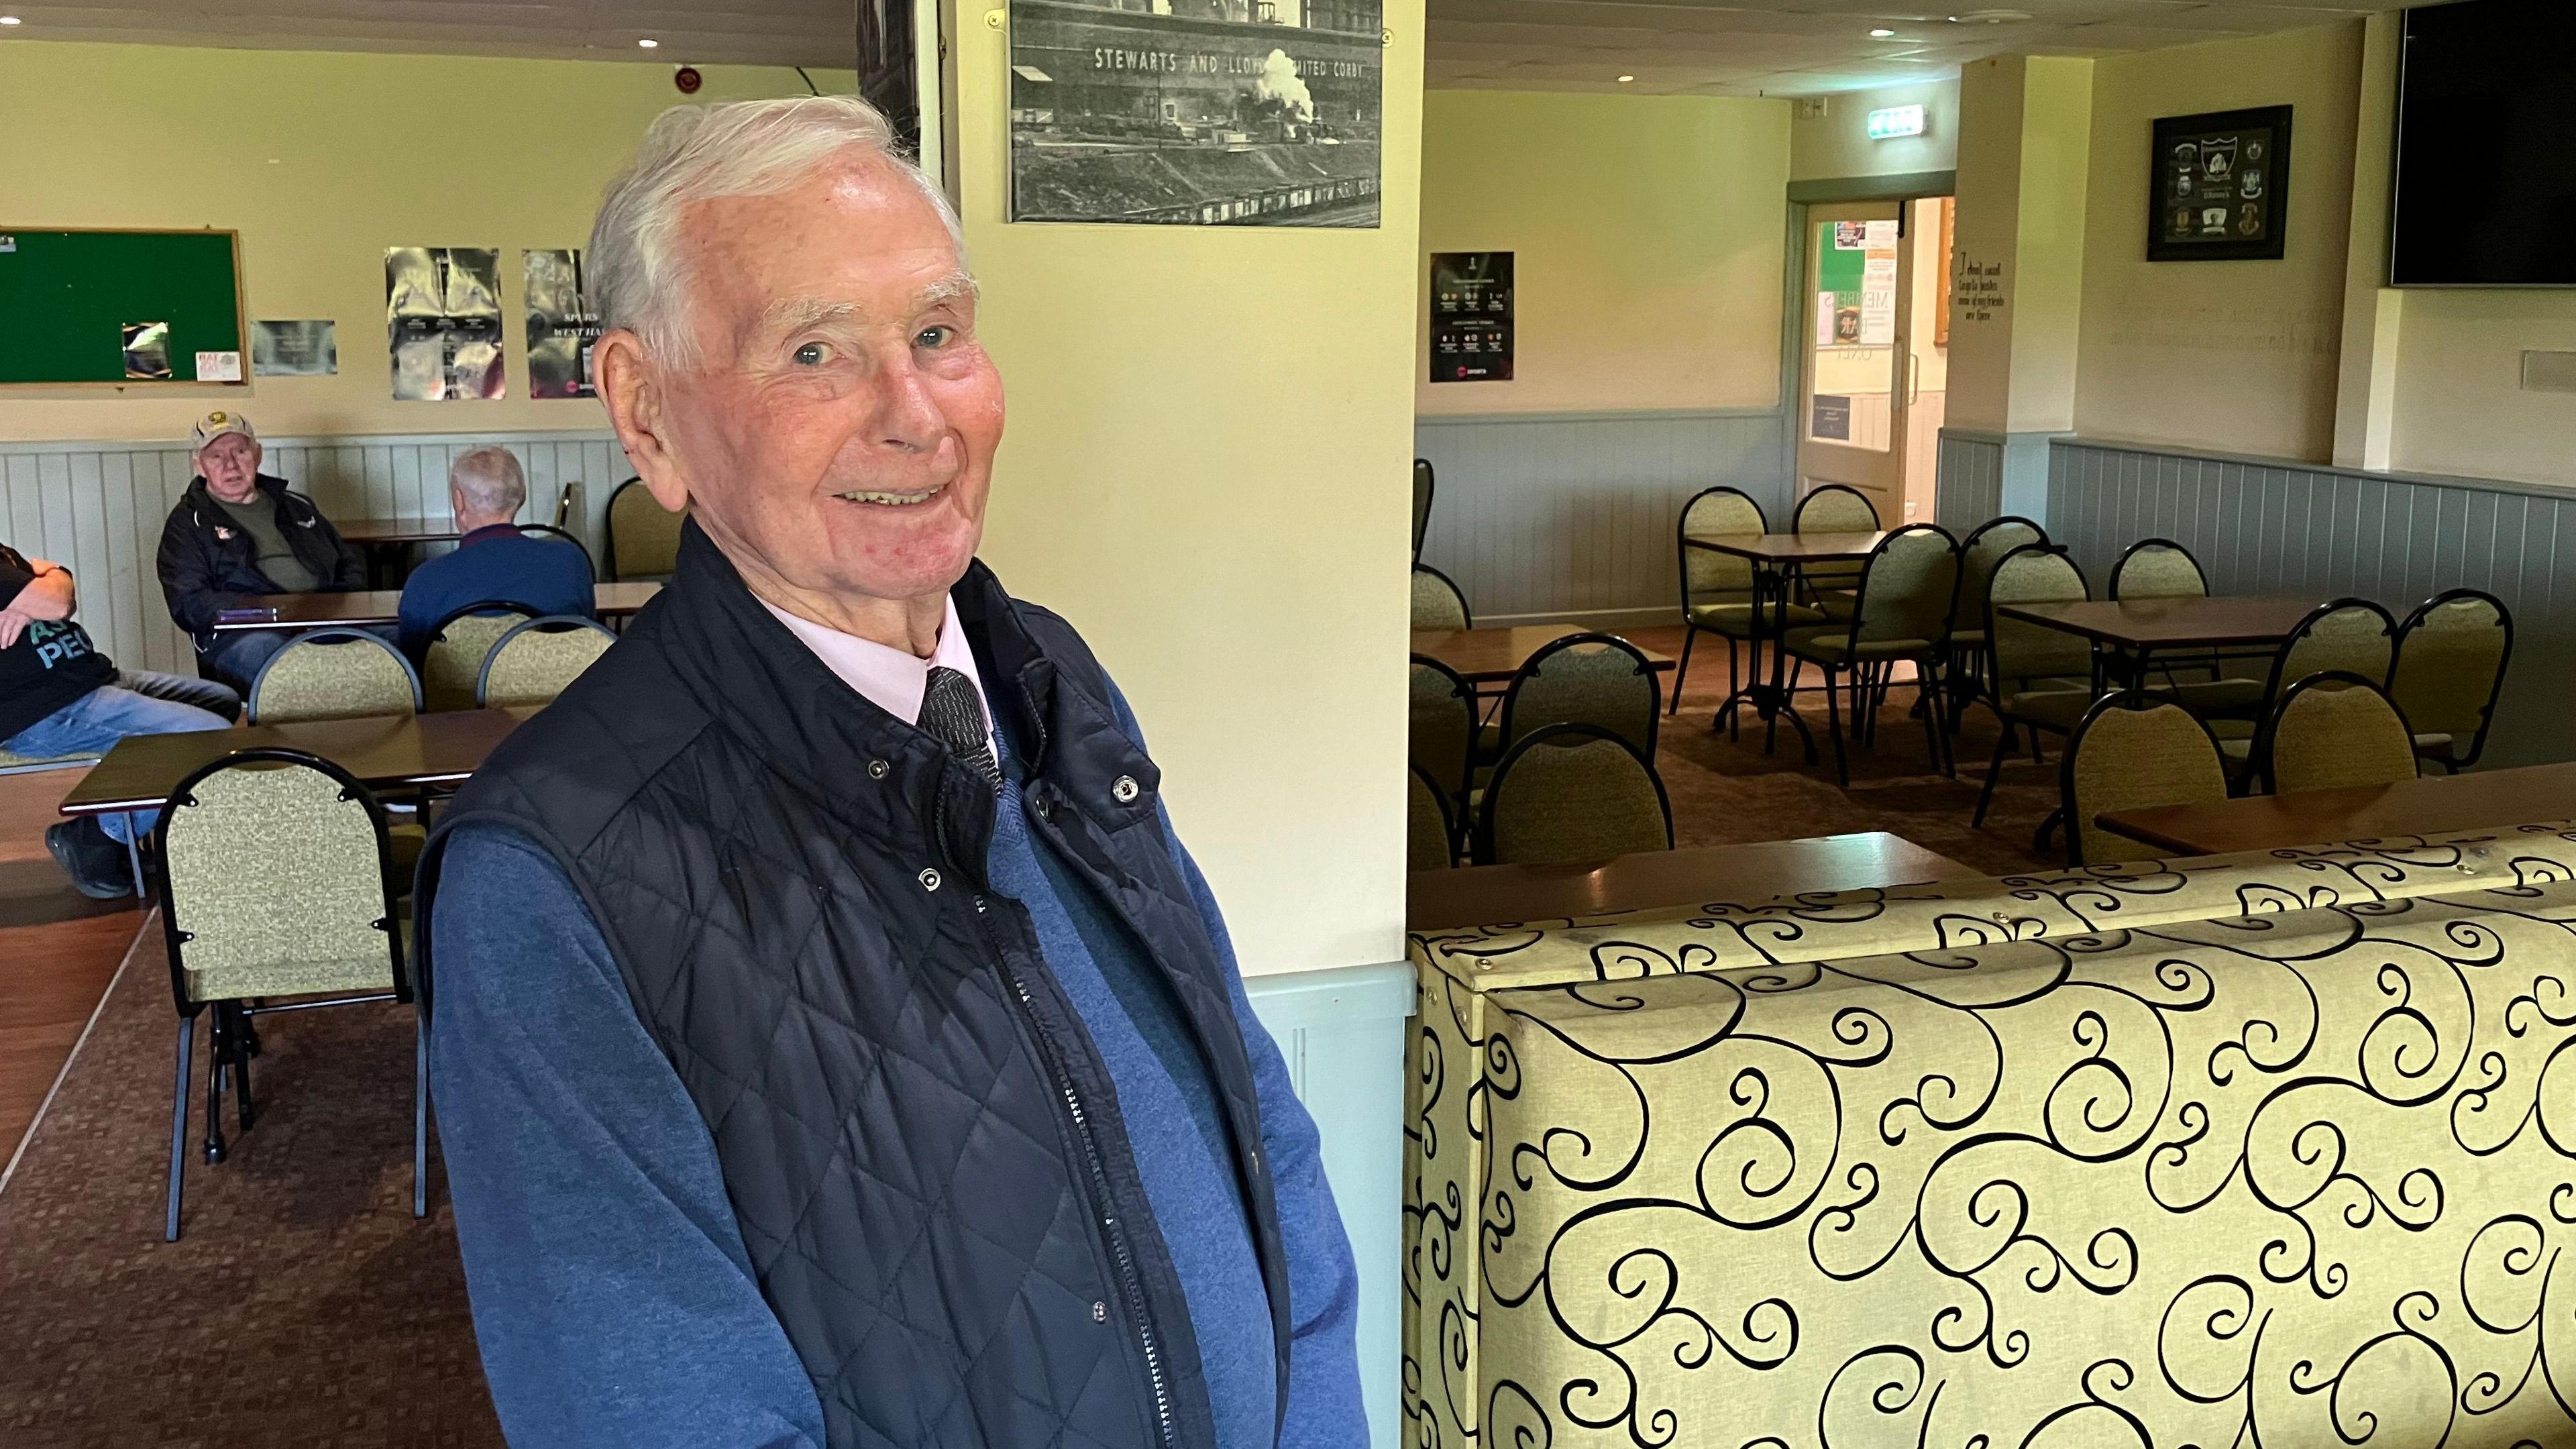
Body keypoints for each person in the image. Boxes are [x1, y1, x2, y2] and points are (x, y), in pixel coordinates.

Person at [415, 95, 1365, 1449]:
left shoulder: (1048, 674)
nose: (916, 416)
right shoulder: (553, 876)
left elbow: (1256, 1128)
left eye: (937, 335)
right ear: (649, 418)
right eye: (816, 352)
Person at [1, 543, 237, 898]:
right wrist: (43, 595)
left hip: (93, 679)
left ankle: (140, 827)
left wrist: (46, 587)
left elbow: (57, 590)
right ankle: (95, 837)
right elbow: (58, 603)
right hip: (45, 710)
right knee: (209, 735)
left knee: (222, 702)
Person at [155, 411, 366, 692]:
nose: (230, 464)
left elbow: (351, 565)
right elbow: (188, 603)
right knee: (280, 664)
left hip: (323, 620)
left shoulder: (297, 506)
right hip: (245, 635)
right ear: (200, 466)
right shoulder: (187, 524)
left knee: (399, 641)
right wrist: (266, 611)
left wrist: (329, 605)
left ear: (257, 454)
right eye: (216, 456)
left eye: (240, 451)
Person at [394, 447, 594, 655]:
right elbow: (587, 642)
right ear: (521, 497)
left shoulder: (425, 581)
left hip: (453, 689)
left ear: (458, 501)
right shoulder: (571, 562)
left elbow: (412, 668)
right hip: (560, 687)